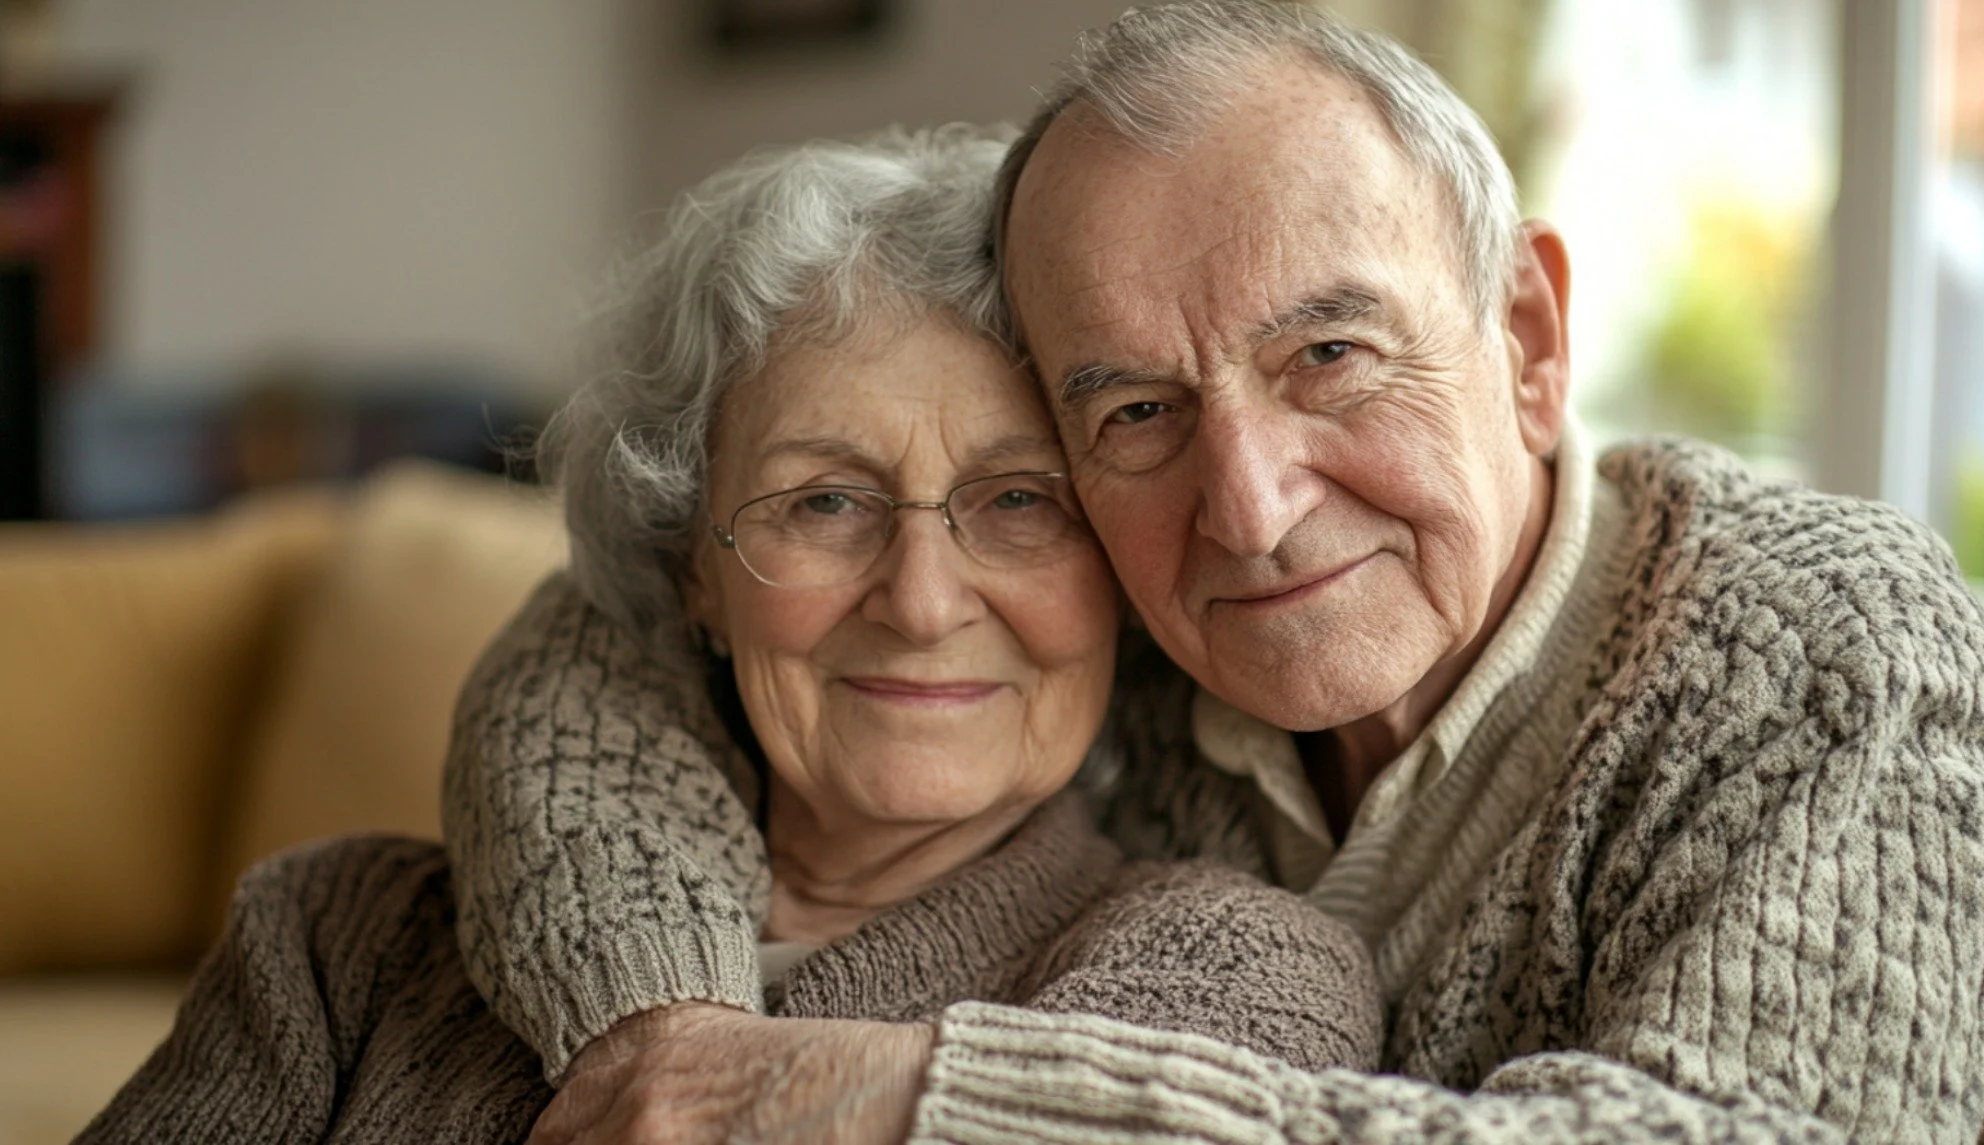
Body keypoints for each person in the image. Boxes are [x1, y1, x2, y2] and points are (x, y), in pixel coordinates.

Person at [445, 3, 1984, 1143]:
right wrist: (659, 1035)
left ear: (1528, 344)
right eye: (1134, 409)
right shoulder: (1102, 615)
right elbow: (609, 643)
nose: (1250, 508)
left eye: (1329, 354)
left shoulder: (1817, 636)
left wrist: (915, 1095)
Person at [76, 125, 1382, 1145]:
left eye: (1020, 503)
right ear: (690, 564)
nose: (921, 601)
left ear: (1121, 564)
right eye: (822, 501)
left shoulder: (1233, 976)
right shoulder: (333, 936)